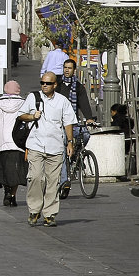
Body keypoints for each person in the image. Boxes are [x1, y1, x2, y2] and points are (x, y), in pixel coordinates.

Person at [17, 71, 78, 227]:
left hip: (56, 146)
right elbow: (20, 115)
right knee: (36, 177)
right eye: (42, 82)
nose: (44, 85)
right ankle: (34, 209)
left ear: (55, 85)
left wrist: (70, 142)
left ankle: (49, 214)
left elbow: (68, 122)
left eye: (48, 83)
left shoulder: (62, 101)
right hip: (35, 145)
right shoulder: (33, 97)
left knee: (53, 181)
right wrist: (32, 117)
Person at [56, 58, 95, 198]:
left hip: (73, 122)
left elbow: (83, 103)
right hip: (59, 124)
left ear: (74, 70)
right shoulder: (57, 85)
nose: (67, 70)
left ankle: (76, 157)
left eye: (69, 68)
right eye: (65, 67)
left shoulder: (78, 87)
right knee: (62, 149)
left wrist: (89, 117)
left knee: (86, 135)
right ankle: (64, 182)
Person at [0, 80, 28, 207]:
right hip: (18, 141)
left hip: (2, 141)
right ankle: (12, 195)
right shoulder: (24, 103)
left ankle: (6, 190)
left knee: (4, 168)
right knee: (16, 169)